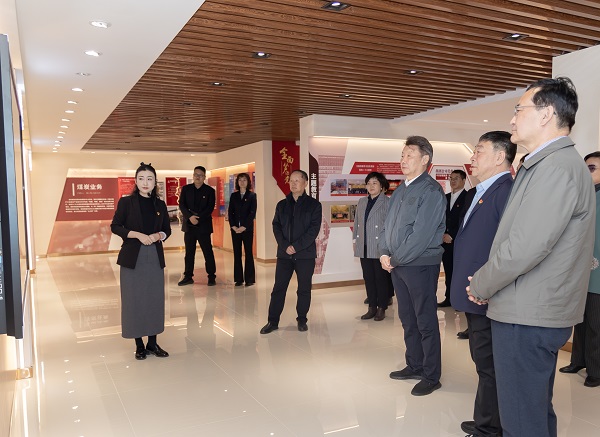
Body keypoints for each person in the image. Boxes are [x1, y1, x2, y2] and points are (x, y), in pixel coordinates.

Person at [467, 77, 595, 437]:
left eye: (518, 110)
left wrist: (482, 284)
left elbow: (525, 247)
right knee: (532, 411)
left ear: (546, 114)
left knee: (521, 419)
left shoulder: (555, 168)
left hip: (529, 312)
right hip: (528, 307)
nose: (512, 119)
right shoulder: (544, 164)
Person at [450, 131, 516, 437]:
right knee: (483, 361)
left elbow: (507, 249)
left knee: (489, 363)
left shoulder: (505, 191)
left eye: (479, 151)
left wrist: (488, 286)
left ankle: (490, 428)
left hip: (487, 294)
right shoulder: (483, 190)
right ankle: (486, 419)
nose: (472, 157)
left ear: (500, 156)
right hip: (475, 292)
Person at [379, 135, 446, 396]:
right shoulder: (400, 189)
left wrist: (395, 259)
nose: (403, 159)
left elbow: (421, 235)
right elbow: (387, 226)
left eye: (409, 155)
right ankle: (415, 364)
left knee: (425, 320)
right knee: (407, 318)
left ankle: (431, 375)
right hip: (397, 265)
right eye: (402, 155)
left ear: (425, 159)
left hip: (420, 264)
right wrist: (384, 252)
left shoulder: (431, 191)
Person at [111, 162, 172, 360]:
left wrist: (158, 235)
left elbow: (167, 230)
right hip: (132, 258)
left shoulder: (160, 205)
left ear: (155, 182)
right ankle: (139, 345)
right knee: (134, 300)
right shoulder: (126, 203)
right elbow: (115, 226)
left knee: (154, 299)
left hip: (154, 257)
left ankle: (152, 343)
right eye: (141, 178)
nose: (145, 182)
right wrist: (136, 234)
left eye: (149, 179)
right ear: (136, 181)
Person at [260, 170, 322, 334]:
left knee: (303, 289)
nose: (293, 183)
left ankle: (302, 319)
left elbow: (313, 230)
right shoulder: (282, 205)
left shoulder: (314, 205)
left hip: (305, 255)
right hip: (284, 255)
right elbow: (276, 226)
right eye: (291, 180)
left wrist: (296, 246)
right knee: (278, 288)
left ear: (305, 183)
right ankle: (272, 321)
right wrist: (285, 245)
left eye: (297, 180)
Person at [559, 151, 600, 388]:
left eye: (592, 168)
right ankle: (578, 360)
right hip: (578, 269)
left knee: (595, 323)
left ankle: (596, 369)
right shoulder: (584, 194)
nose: (586, 172)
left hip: (596, 271)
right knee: (579, 319)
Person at [353, 172, 392, 321]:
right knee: (368, 278)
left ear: (382, 186)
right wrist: (355, 241)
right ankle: (372, 307)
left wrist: (387, 246)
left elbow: (390, 226)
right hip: (364, 245)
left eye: (375, 183)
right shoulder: (362, 201)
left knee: (380, 278)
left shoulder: (387, 202)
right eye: (369, 183)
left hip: (379, 246)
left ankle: (382, 307)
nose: (371, 186)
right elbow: (357, 222)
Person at [178, 165, 217, 286]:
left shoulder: (210, 191)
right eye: (196, 175)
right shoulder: (186, 189)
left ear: (204, 177)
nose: (197, 177)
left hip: (203, 226)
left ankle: (211, 276)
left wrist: (198, 218)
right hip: (189, 226)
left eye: (200, 175)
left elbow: (210, 208)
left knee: (208, 252)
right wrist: (190, 217)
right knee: (189, 253)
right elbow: (182, 204)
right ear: (193, 175)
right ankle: (188, 276)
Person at [438, 169, 467, 308]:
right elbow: (440, 218)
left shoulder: (468, 197)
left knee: (460, 272)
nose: (453, 181)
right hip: (445, 242)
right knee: (448, 271)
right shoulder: (445, 197)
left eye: (456, 178)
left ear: (464, 180)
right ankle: (449, 298)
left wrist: (452, 235)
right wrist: (443, 234)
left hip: (460, 242)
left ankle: (461, 300)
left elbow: (465, 220)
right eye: (451, 178)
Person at [228, 173, 257, 286]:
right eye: (240, 180)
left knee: (248, 253)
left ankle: (249, 279)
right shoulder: (234, 196)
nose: (242, 182)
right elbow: (230, 212)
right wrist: (234, 226)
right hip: (235, 229)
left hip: (247, 229)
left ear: (248, 182)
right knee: (237, 253)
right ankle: (238, 279)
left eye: (244, 180)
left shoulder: (252, 196)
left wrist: (244, 226)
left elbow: (252, 213)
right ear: (237, 182)